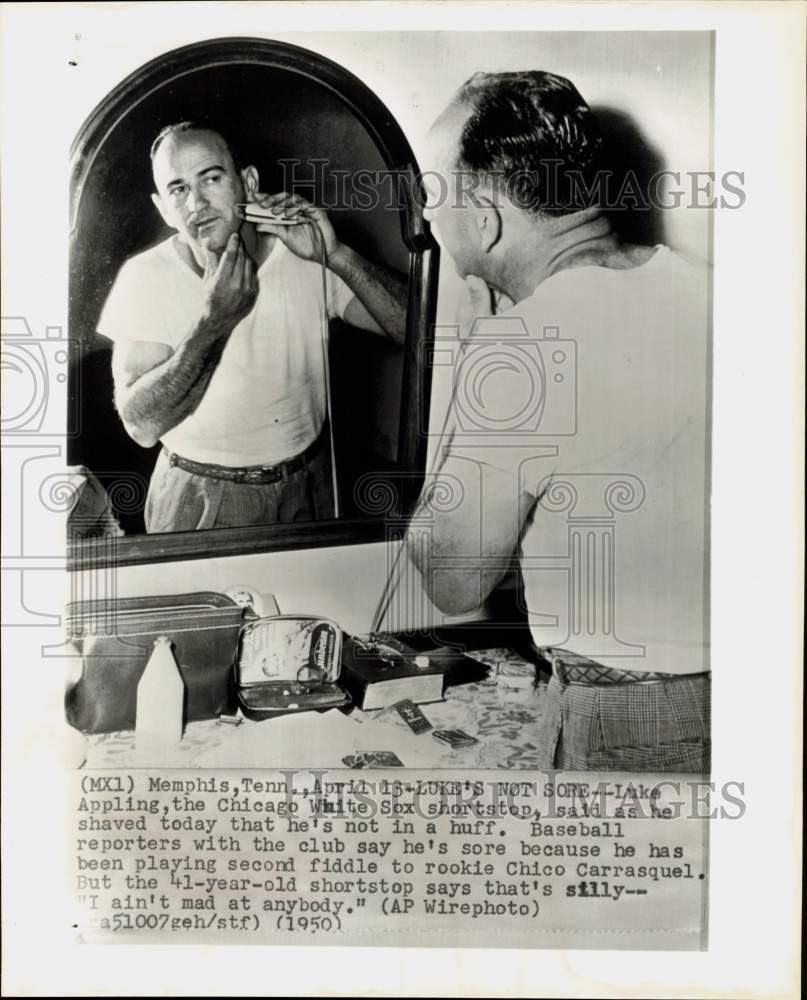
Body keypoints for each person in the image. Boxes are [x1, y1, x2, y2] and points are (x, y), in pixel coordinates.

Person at [406, 71, 710, 772]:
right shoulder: (711, 288)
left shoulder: (525, 349)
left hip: (636, 723)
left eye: (430, 193)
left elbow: (451, 578)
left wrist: (466, 361)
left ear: (483, 215)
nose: (426, 217)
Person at [98, 121, 407, 532]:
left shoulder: (302, 252)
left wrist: (337, 255)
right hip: (201, 497)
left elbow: (418, 332)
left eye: (211, 178)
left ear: (247, 181)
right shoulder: (144, 277)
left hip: (311, 485)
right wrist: (214, 321)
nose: (196, 204)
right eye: (178, 189)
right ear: (164, 209)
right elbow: (141, 426)